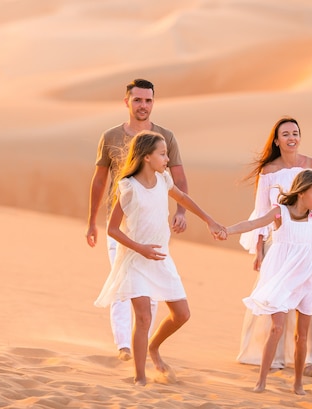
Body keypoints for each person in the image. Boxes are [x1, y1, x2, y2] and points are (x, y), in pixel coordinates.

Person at [94, 131, 225, 386]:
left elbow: (183, 198)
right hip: (135, 260)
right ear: (146, 157)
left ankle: (154, 347)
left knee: (182, 314)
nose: (167, 159)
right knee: (143, 318)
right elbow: (112, 229)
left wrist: (210, 220)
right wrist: (140, 248)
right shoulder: (128, 187)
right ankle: (140, 377)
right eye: (162, 154)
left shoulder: (164, 179)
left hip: (161, 258)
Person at [86, 79, 189, 361]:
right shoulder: (110, 136)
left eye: (148, 101)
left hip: (152, 230)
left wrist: (181, 212)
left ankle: (141, 345)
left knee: (151, 292)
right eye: (137, 100)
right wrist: (91, 222)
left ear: (153, 103)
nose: (143, 105)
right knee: (123, 286)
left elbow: (178, 180)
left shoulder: (165, 137)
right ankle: (124, 347)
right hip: (119, 228)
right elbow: (99, 181)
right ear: (127, 102)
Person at [221, 170, 312, 394]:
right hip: (280, 278)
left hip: (305, 280)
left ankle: (298, 384)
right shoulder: (281, 213)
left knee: (301, 336)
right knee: (276, 328)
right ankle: (261, 382)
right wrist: (226, 230)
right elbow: (254, 224)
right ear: (301, 192)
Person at [237, 116, 312, 376]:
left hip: (305, 240)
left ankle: (309, 358)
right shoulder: (268, 171)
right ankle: (274, 357)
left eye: (295, 133)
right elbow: (261, 211)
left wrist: (304, 200)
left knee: (308, 299)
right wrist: (258, 248)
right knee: (275, 298)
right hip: (277, 242)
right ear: (277, 141)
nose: (292, 138)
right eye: (286, 134)